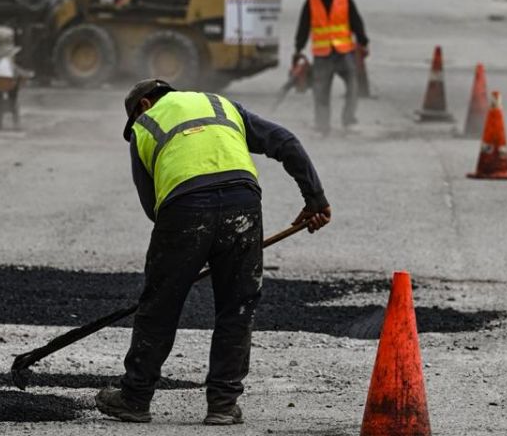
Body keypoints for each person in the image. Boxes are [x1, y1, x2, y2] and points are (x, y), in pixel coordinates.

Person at [96, 79, 332, 426]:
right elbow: (285, 142)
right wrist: (315, 200)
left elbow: (153, 208)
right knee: (237, 305)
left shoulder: (144, 125)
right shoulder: (221, 105)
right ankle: (222, 404)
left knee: (160, 306)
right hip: (243, 203)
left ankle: (135, 398)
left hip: (184, 209)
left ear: (144, 104)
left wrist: (187, 253)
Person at [294, 0, 370, 135]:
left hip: (344, 51)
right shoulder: (312, 0)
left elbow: (355, 20)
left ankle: (349, 120)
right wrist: (299, 47)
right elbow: (304, 25)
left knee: (353, 86)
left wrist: (363, 41)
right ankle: (322, 126)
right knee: (320, 91)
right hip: (323, 55)